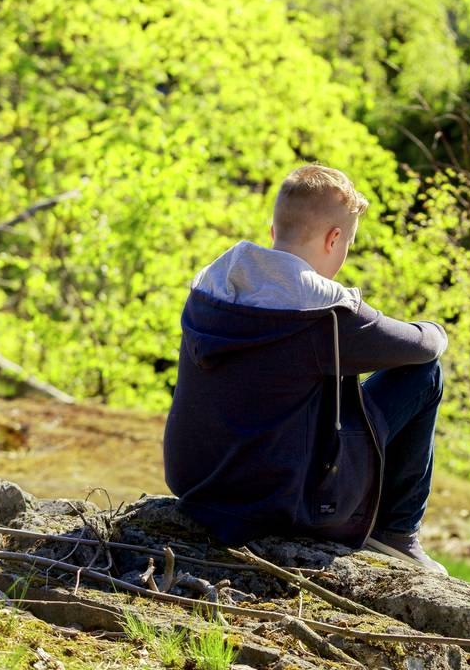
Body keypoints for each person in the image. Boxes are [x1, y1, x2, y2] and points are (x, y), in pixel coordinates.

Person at [163, 164, 449, 574]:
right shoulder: (324, 313)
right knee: (425, 374)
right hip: (279, 501)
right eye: (348, 241)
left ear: (272, 231)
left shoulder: (210, 289)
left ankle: (393, 533)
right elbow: (421, 347)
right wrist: (436, 329)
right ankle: (396, 534)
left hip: (198, 484)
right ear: (335, 238)